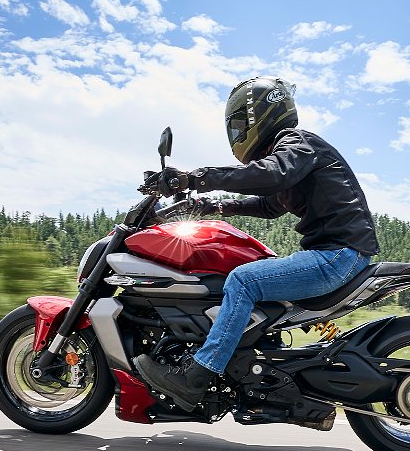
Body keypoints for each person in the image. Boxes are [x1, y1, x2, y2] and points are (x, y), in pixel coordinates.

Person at [133, 76, 380, 413]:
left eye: (239, 125)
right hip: (334, 254)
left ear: (259, 114)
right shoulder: (292, 155)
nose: (236, 134)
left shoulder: (296, 142)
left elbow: (272, 175)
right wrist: (211, 207)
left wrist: (195, 178)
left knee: (243, 280)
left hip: (339, 256)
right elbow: (270, 204)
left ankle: (197, 376)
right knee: (242, 273)